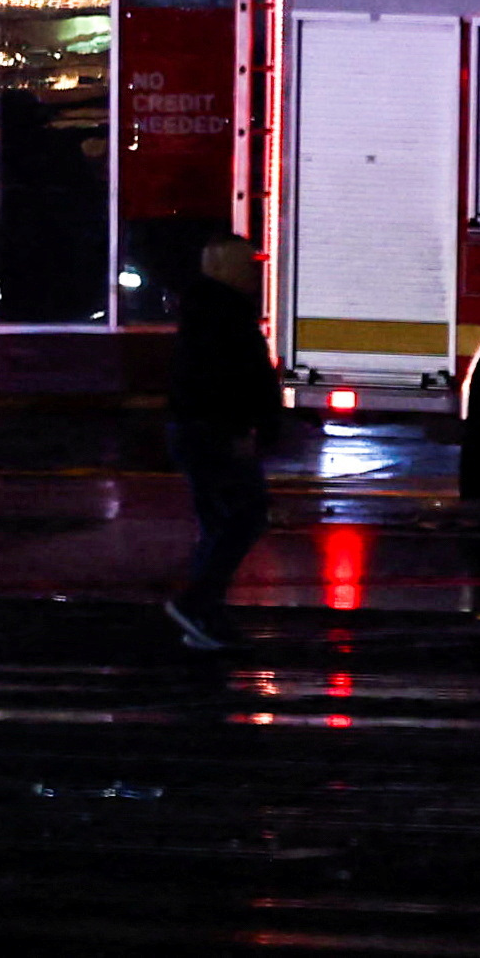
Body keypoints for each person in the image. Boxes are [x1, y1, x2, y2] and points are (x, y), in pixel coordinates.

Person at [161, 231, 283, 653]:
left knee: (220, 522)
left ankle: (202, 614)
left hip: (202, 432)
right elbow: (232, 381)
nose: (253, 271)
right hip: (215, 434)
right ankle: (196, 606)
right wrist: (245, 430)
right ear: (218, 267)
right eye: (244, 264)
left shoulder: (210, 312)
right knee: (244, 516)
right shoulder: (223, 317)